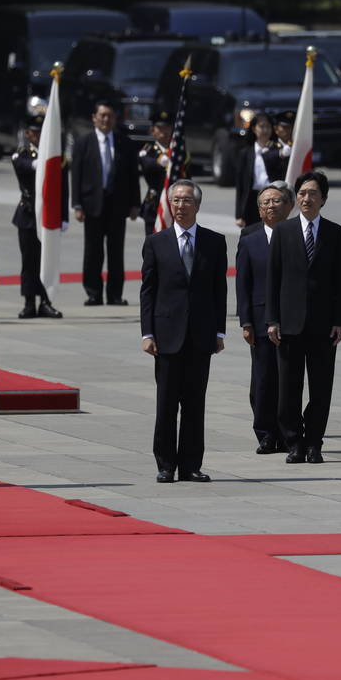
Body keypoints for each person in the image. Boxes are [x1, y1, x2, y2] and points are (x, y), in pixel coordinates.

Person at [140, 180, 227, 483]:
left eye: (186, 200)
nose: (180, 206)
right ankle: (165, 464)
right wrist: (147, 333)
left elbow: (219, 290)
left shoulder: (214, 242)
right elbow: (148, 292)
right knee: (166, 404)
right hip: (166, 336)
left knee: (194, 404)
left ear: (197, 205)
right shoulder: (156, 242)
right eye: (176, 200)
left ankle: (190, 464)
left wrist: (220, 332)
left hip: (201, 337)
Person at [266, 170, 341, 465]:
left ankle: (314, 442)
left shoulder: (335, 233)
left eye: (313, 194)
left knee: (321, 387)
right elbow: (273, 278)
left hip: (323, 325)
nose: (306, 198)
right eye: (302, 193)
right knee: (288, 388)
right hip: (288, 323)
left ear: (323, 199)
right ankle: (294, 442)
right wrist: (272, 319)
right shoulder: (283, 231)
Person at [236, 181, 293, 454]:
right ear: (259, 210)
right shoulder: (250, 238)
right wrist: (245, 321)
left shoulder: (297, 234)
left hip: (292, 318)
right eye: (265, 203)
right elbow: (243, 283)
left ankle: (287, 432)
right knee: (263, 379)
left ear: (288, 207)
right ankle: (265, 433)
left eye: (277, 201)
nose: (271, 206)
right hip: (259, 319)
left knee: (288, 379)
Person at [71, 101, 141, 306]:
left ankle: (115, 294)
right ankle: (93, 292)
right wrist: (77, 204)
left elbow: (132, 176)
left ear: (115, 118)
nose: (105, 119)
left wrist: (135, 203)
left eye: (109, 116)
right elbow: (76, 175)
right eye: (102, 115)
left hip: (117, 205)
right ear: (94, 117)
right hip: (92, 204)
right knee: (93, 250)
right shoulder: (84, 142)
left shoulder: (125, 143)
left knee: (116, 251)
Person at [12, 117, 64, 319]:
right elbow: (26, 166)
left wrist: (64, 217)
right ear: (28, 134)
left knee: (47, 259)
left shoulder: (56, 157)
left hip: (49, 215)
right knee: (29, 260)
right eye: (34, 132)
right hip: (28, 214)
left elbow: (63, 189)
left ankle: (46, 301)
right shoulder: (22, 154)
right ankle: (28, 302)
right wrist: (44, 162)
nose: (38, 135)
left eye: (41, 131)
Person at [139, 112, 188, 236]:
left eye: (167, 128)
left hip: (175, 204)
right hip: (155, 202)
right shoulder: (148, 150)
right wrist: (163, 160)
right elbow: (147, 165)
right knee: (152, 242)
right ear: (152, 131)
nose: (164, 131)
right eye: (160, 128)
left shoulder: (179, 152)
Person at [235, 111, 287, 228]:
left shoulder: (278, 151)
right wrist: (239, 215)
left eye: (268, 127)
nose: (265, 130)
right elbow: (240, 186)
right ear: (254, 129)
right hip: (252, 199)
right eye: (261, 126)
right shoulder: (246, 153)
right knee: (252, 236)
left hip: (273, 198)